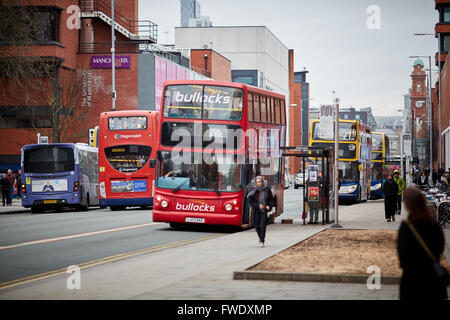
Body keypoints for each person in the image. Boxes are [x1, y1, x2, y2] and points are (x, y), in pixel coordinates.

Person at [397, 187, 448, 300]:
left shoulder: (406, 227)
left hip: (412, 281)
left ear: (408, 205)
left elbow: (403, 257)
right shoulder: (434, 226)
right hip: (433, 280)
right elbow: (439, 250)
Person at [247, 176, 275, 247]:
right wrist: (258, 206)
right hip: (256, 210)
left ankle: (262, 240)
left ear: (262, 182)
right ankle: (260, 237)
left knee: (263, 226)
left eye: (260, 182)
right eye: (257, 182)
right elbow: (251, 202)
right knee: (256, 225)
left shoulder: (267, 189)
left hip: (264, 210)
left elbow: (271, 200)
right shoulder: (253, 190)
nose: (259, 183)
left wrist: (269, 206)